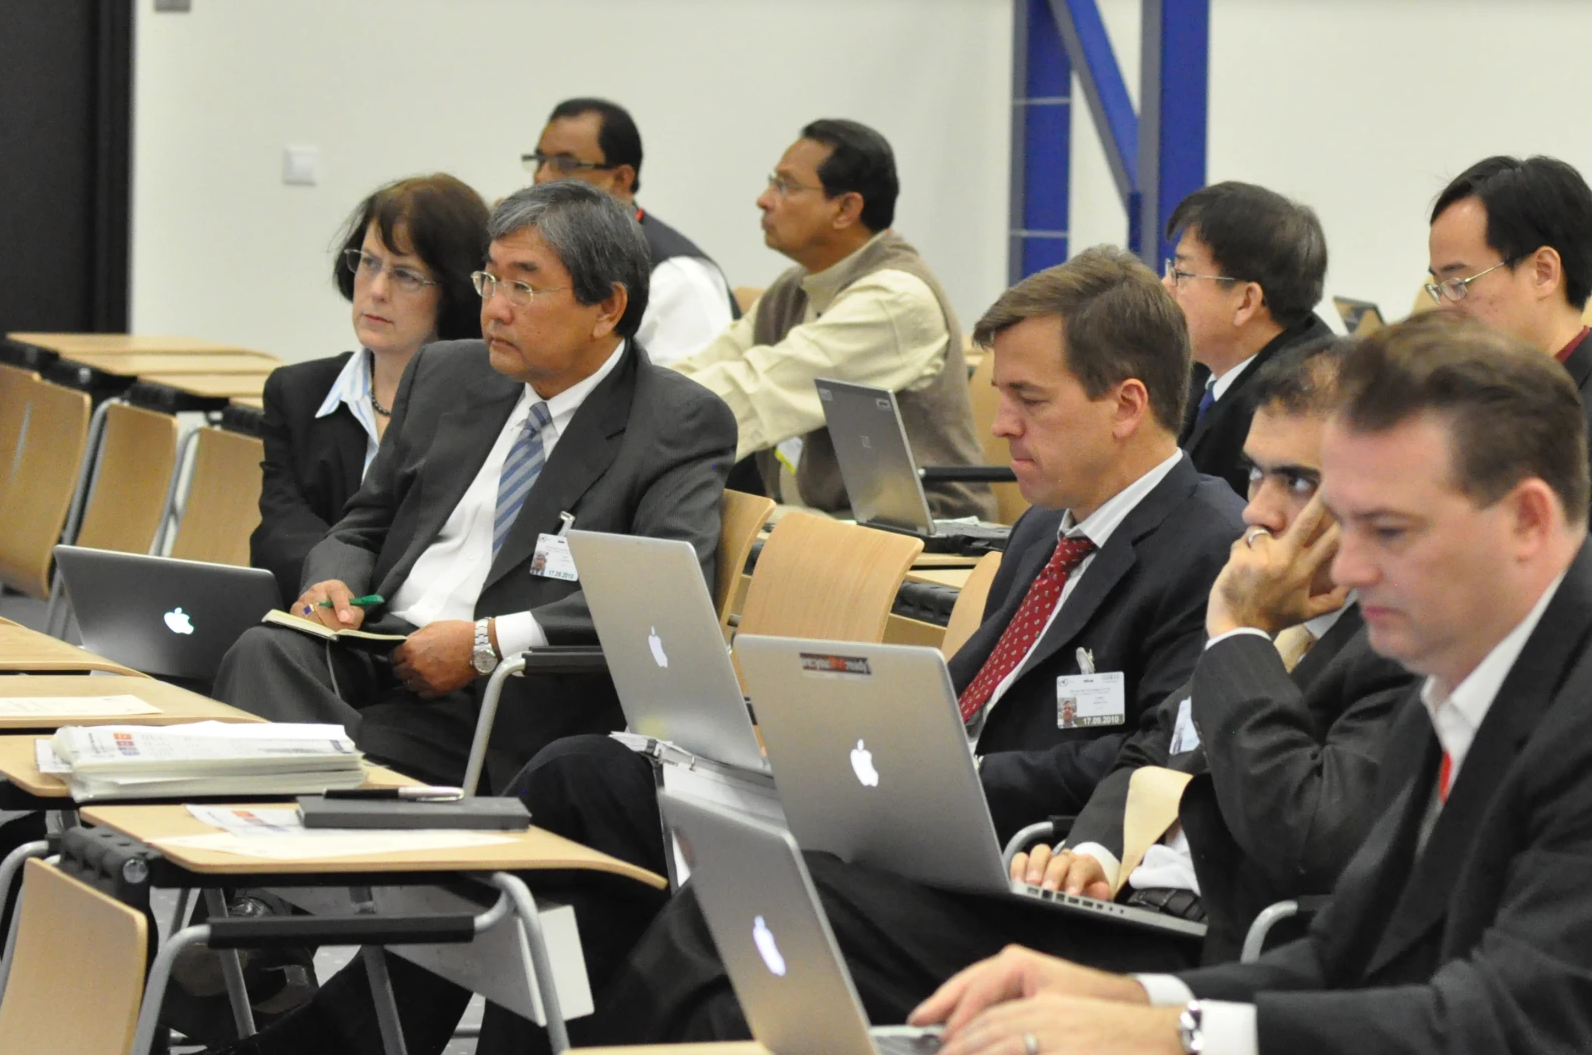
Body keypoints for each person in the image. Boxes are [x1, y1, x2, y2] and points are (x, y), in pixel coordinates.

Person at [255, 245, 1246, 1055]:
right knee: (583, 777)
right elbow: (966, 688)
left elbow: (1147, 760)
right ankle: (368, 1038)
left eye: (1030, 398)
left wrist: (928, 775)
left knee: (742, 876)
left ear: (1123, 403)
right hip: (897, 798)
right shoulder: (1046, 527)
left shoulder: (1205, 546)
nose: (999, 423)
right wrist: (823, 731)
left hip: (999, 848)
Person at [905, 315, 1592, 1055]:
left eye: (1387, 530)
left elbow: (1509, 1027)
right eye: (1342, 522)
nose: (1343, 563)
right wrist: (1126, 993)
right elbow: (1345, 962)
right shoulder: (1471, 666)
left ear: (1526, 520)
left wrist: (1171, 1033)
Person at [575, 337, 1415, 1046]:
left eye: (1298, 483)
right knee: (737, 988)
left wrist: (1239, 637)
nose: (1258, 512)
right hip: (1103, 903)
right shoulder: (1258, 608)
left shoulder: (1388, 649)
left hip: (1208, 950)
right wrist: (1088, 852)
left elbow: (1305, 835)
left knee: (771, 900)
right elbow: (1157, 751)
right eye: (1257, 474)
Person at [211, 181, 736, 789]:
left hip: (502, 689)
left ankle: (307, 841)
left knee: (329, 742)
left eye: (524, 286)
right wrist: (334, 581)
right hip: (378, 647)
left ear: (607, 309)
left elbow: (659, 600)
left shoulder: (676, 421)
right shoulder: (446, 374)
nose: (496, 309)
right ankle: (318, 825)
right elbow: (364, 524)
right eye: (490, 280)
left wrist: (485, 643)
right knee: (262, 651)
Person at [675, 119, 989, 518]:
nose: (764, 199)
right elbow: (711, 365)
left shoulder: (896, 300)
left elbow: (759, 389)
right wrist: (623, 405)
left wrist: (632, 430)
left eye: (785, 186)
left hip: (922, 535)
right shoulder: (795, 286)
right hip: (825, 521)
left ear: (845, 208)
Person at [1426, 155, 1592, 608]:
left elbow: (1588, 618)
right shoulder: (1474, 406)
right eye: (1438, 286)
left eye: (1460, 283)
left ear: (1543, 272)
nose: (1444, 308)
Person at [252, 175, 490, 603]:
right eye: (369, 263)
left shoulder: (488, 408)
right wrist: (335, 586)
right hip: (320, 617)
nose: (377, 291)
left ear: (455, 290)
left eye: (407, 276)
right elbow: (280, 528)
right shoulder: (298, 392)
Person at [525, 97, 735, 366]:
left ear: (622, 179)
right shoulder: (546, 253)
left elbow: (689, 397)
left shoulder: (677, 278)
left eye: (565, 164)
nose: (541, 177)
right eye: (540, 160)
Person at [1161, 182, 1332, 500]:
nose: (1166, 286)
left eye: (1182, 274)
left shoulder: (1294, 404)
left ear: (1246, 301)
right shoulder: (1204, 371)